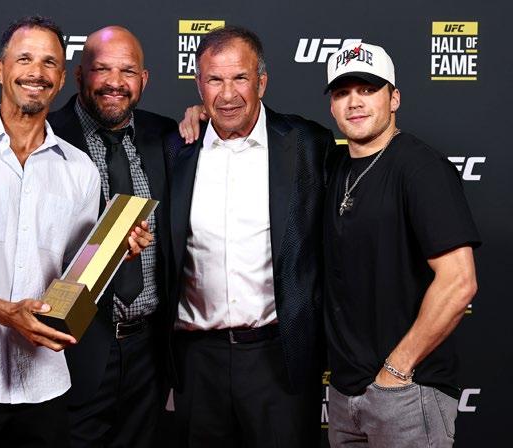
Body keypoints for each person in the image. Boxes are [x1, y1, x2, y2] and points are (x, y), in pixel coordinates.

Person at [0, 16, 150, 448]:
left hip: (44, 382)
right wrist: (5, 312)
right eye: (25, 59)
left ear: (62, 78)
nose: (37, 72)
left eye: (49, 62)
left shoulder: (80, 170)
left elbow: (74, 279)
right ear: (0, 70)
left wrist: (114, 252)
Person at [169, 26, 335, 447]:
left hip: (279, 358)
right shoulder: (174, 149)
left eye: (239, 78)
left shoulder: (307, 144)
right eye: (215, 80)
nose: (227, 94)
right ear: (199, 86)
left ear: (261, 82)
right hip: (196, 362)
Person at [322, 42, 480, 447]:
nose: (354, 102)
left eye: (367, 89)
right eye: (342, 92)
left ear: (394, 98)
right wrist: (204, 114)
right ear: (332, 107)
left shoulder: (422, 168)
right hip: (344, 393)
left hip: (407, 392)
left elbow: (459, 282)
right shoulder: (335, 168)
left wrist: (396, 370)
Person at [47, 26, 176, 447]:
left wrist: (201, 114)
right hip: (74, 350)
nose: (115, 82)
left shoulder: (166, 136)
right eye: (102, 69)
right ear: (79, 75)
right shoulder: (46, 136)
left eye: (127, 71)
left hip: (149, 355)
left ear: (144, 79)